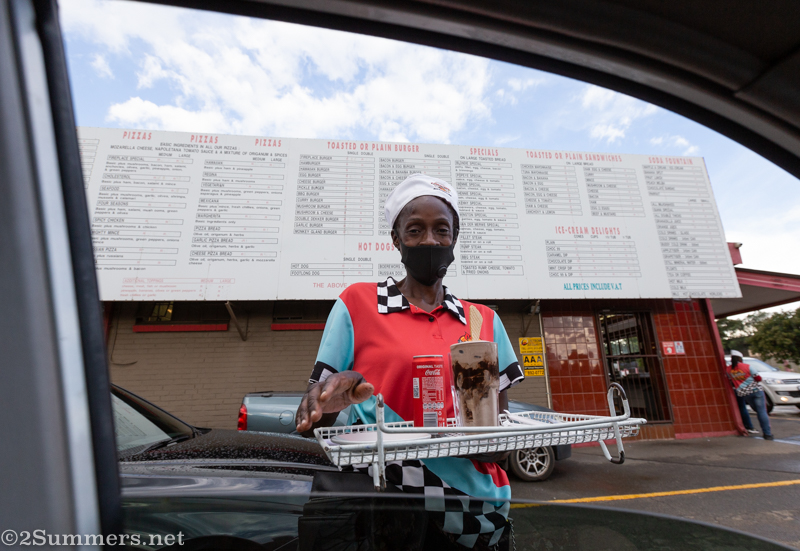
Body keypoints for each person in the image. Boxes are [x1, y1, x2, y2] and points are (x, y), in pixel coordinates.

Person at [296, 173, 524, 549]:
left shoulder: (483, 320)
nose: (430, 240)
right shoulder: (358, 304)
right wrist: (332, 405)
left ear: (454, 238)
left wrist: (474, 434)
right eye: (415, 230)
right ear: (396, 239)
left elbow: (496, 444)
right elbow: (311, 423)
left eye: (442, 230)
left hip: (474, 508)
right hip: (383, 505)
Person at [726, 350, 773, 440]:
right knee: (762, 411)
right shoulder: (748, 367)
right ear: (740, 358)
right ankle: (767, 434)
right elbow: (758, 378)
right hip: (756, 391)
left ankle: (752, 427)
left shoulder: (728, 369)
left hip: (744, 393)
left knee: (756, 410)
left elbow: (731, 382)